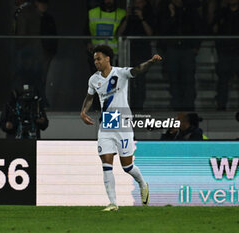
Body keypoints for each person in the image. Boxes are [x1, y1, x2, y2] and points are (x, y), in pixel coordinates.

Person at [80, 44, 162, 211]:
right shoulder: (94, 79)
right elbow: (89, 97)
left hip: (123, 121)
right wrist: (83, 112)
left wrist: (151, 62)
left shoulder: (120, 73)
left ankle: (142, 183)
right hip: (107, 122)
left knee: (127, 166)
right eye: (94, 59)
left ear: (107, 58)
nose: (96, 62)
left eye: (99, 59)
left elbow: (138, 70)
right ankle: (113, 203)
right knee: (106, 162)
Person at [157, 0, 202, 110]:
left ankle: (189, 107)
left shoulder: (191, 11)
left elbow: (198, 28)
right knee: (174, 79)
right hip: (171, 49)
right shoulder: (164, 11)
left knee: (188, 80)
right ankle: (176, 106)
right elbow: (161, 30)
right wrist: (172, 15)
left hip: (187, 49)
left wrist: (196, 46)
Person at [213, 0, 239, 111]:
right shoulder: (221, 13)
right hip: (225, 51)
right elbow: (213, 29)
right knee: (223, 80)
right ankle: (221, 105)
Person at [117, 0, 154, 110]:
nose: (137, 5)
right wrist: (127, 18)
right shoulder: (129, 17)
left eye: (140, 2)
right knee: (128, 82)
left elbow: (151, 33)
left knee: (140, 81)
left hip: (142, 54)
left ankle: (139, 106)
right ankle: (129, 105)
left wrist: (142, 18)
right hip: (128, 53)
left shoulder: (149, 15)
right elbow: (119, 33)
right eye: (135, 2)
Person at [13, 0, 44, 105]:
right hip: (34, 47)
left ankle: (23, 100)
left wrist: (18, 43)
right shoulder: (33, 11)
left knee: (23, 75)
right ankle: (39, 99)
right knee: (35, 76)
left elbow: (21, 33)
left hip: (26, 49)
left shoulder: (24, 12)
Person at [85, 0, 126, 71]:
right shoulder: (92, 13)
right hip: (96, 52)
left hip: (115, 54)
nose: (109, 1)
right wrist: (88, 43)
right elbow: (86, 31)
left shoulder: (122, 13)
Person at [35, 0, 58, 106]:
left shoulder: (48, 19)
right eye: (41, 3)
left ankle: (41, 99)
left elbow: (54, 36)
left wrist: (52, 51)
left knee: (43, 77)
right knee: (35, 77)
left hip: (46, 52)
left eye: (45, 4)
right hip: (34, 52)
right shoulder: (32, 18)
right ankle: (37, 99)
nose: (43, 6)